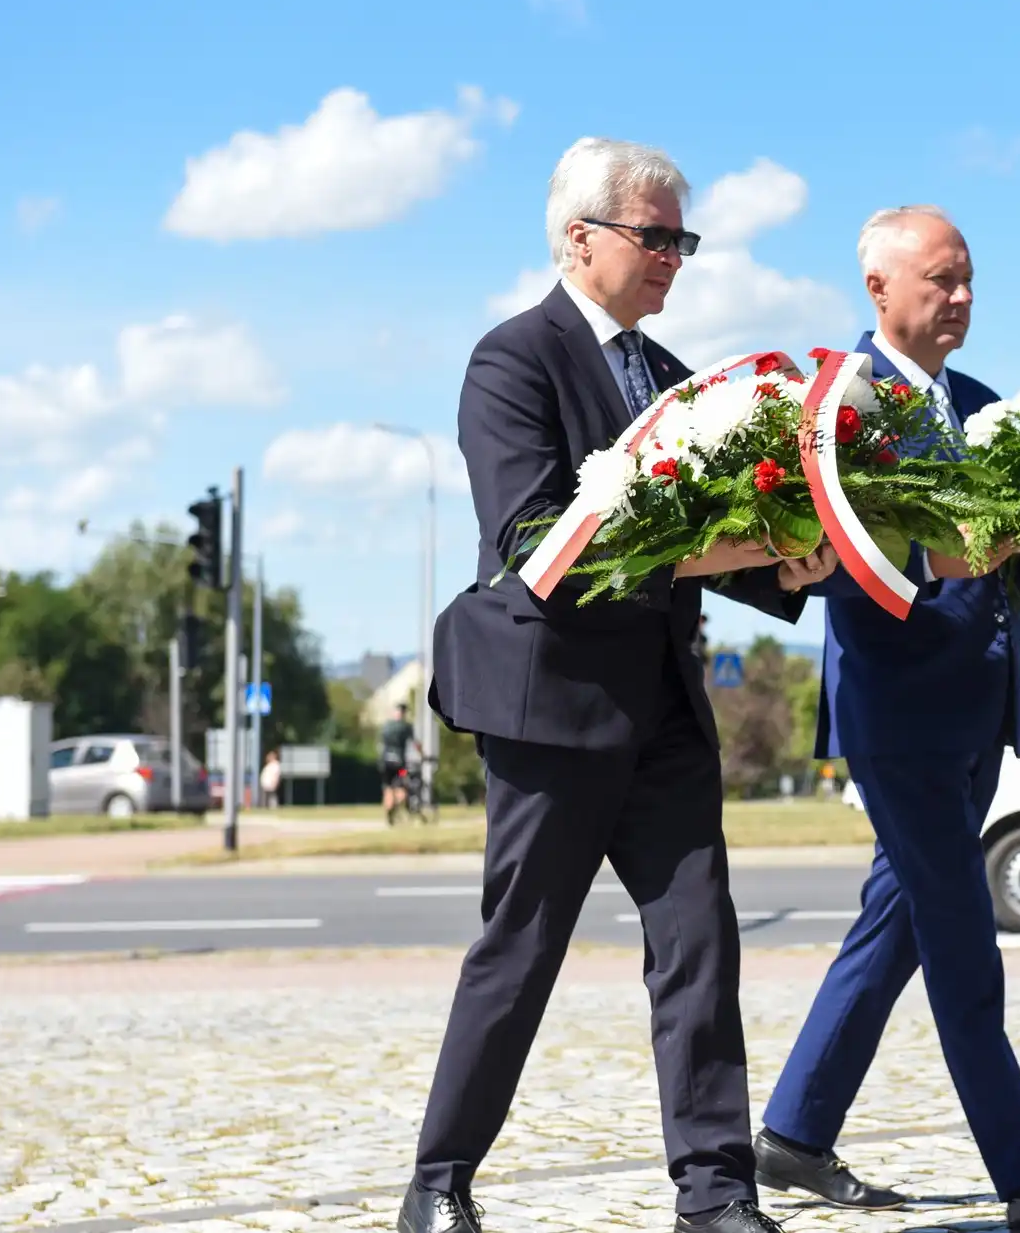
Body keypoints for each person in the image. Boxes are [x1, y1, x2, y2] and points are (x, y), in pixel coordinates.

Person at [398, 137, 838, 1233]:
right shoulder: (513, 359)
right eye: (656, 236)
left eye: (684, 239)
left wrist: (790, 564)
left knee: (700, 943)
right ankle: (438, 1183)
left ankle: (716, 1195)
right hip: (551, 705)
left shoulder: (681, 380)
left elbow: (719, 535)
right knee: (522, 948)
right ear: (578, 237)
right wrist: (722, 554)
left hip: (665, 709)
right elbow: (535, 538)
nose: (674, 257)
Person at [752, 207, 1020, 1233]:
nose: (961, 297)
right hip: (897, 714)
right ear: (878, 288)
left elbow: (1013, 560)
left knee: (900, 920)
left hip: (979, 710)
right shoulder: (841, 407)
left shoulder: (984, 407)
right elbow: (832, 558)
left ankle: (793, 1131)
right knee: (962, 939)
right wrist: (947, 551)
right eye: (941, 280)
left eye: (968, 280)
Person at [378, 703, 417, 819]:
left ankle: (389, 806)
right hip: (400, 765)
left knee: (387, 786)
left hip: (385, 763)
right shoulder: (406, 727)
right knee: (403, 785)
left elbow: (380, 743)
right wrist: (422, 754)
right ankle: (397, 803)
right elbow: (415, 743)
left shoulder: (386, 726)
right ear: (404, 713)